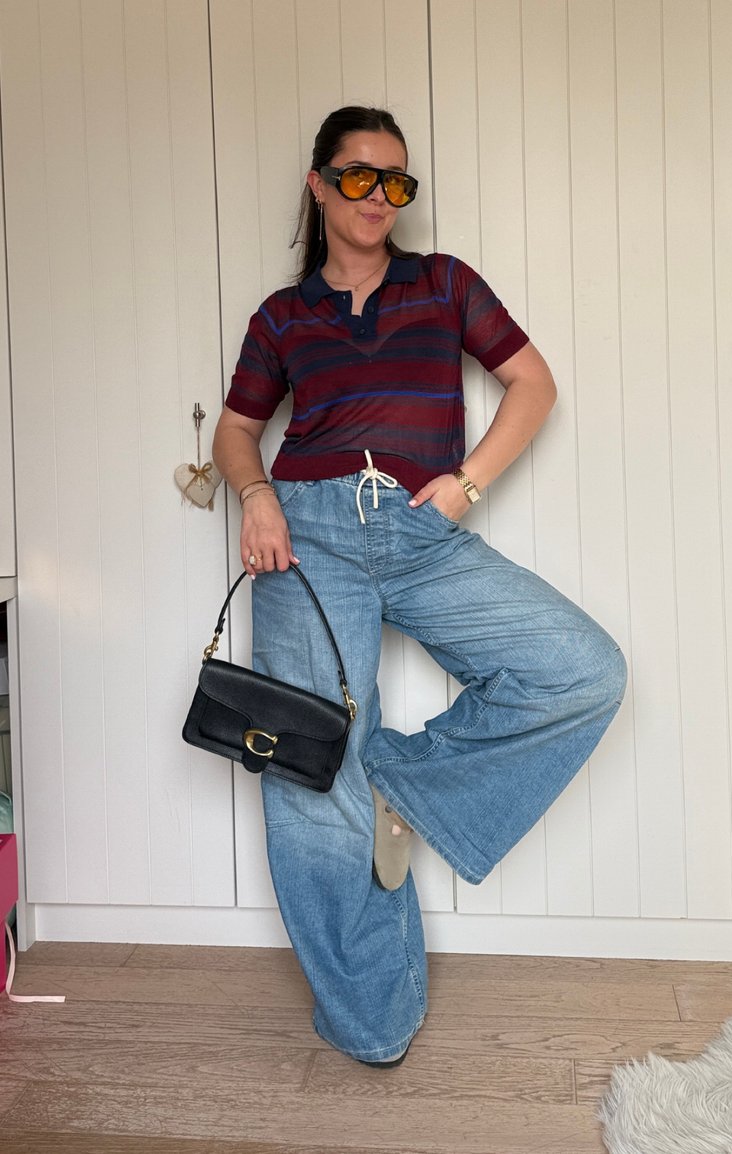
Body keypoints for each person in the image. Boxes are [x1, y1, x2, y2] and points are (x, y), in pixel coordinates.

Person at [212, 105, 627, 1067]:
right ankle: (371, 1020)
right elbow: (237, 430)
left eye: (397, 181)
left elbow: (533, 384)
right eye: (359, 175)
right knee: (311, 770)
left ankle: (399, 780)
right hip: (307, 535)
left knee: (582, 671)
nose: (380, 196)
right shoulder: (282, 317)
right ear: (319, 185)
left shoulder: (444, 285)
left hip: (421, 528)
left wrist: (465, 488)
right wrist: (258, 497)